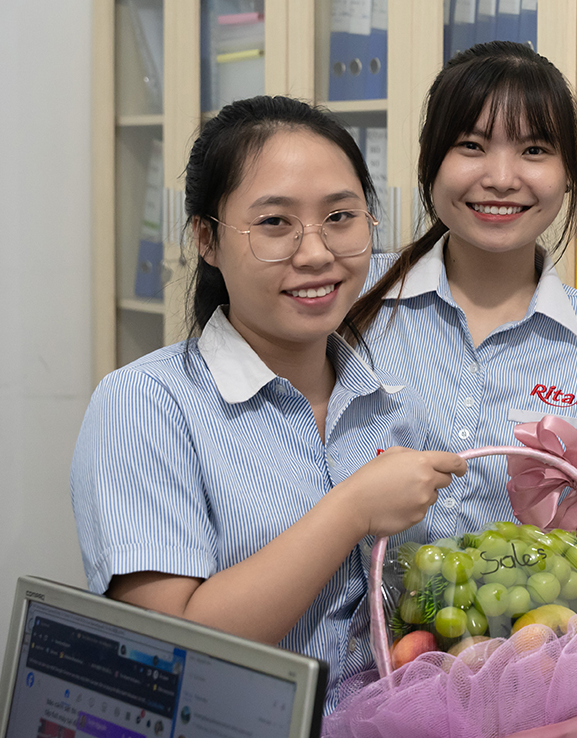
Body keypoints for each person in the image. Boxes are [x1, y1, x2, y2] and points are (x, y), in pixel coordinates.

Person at [70, 95, 467, 712]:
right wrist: (352, 509)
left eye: (341, 216)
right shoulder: (145, 405)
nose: (315, 253)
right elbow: (170, 654)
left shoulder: (389, 404)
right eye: (275, 223)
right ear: (205, 237)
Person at [344, 41, 577, 543]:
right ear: (429, 162)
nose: (501, 180)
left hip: (529, 622)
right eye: (472, 146)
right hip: (343, 618)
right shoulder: (350, 297)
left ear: (569, 174)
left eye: (535, 151)